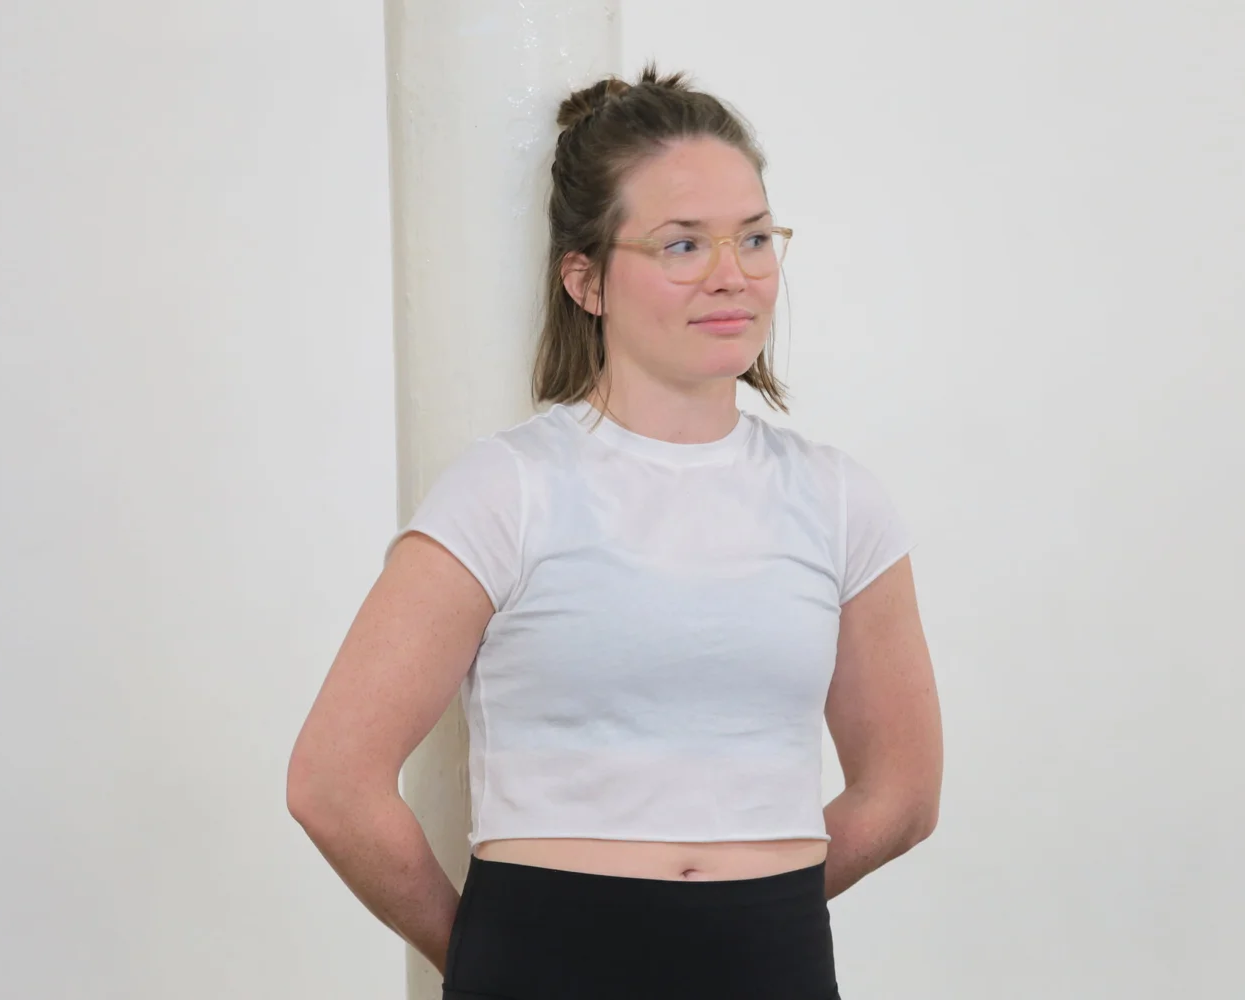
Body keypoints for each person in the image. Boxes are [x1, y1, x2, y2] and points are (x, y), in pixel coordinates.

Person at [287, 65, 943, 1000]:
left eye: (755, 237)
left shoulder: (840, 500)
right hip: (546, 965)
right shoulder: (507, 489)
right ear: (586, 280)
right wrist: (486, 955)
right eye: (683, 244)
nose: (732, 274)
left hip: (770, 965)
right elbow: (333, 781)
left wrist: (752, 911)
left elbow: (902, 794)